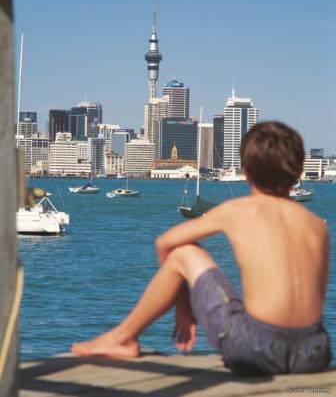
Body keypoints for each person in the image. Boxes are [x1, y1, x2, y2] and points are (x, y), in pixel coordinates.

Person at [72, 121, 331, 375]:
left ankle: (123, 338)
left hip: (256, 349)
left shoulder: (238, 210)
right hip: (314, 352)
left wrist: (183, 309)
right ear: (298, 171)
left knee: (184, 253)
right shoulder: (317, 226)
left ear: (246, 171)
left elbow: (165, 242)